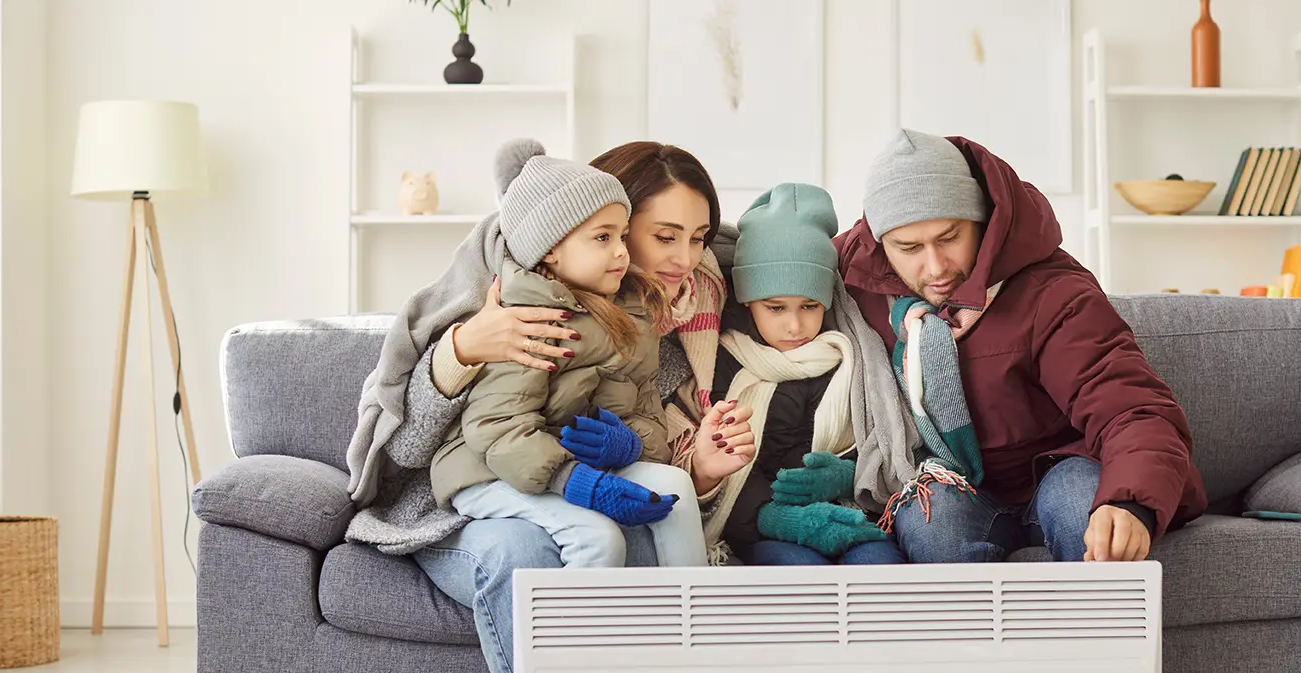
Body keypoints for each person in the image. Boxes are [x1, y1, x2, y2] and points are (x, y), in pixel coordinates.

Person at [345, 141, 761, 673]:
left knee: (652, 510)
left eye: (699, 239)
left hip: (579, 483)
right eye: (663, 236)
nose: (686, 259)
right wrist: (461, 351)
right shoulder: (510, 298)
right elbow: (412, 449)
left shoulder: (663, 314)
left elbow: (646, 435)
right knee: (529, 552)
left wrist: (686, 466)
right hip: (470, 490)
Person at [835, 129, 1208, 567]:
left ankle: (1094, 636)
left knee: (1081, 509)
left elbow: (1130, 407)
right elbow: (771, 268)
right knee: (930, 519)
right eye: (909, 247)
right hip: (950, 485)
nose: (934, 266)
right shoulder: (857, 282)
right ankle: (966, 639)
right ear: (881, 245)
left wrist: (1130, 503)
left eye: (951, 237)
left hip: (1062, 469)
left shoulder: (1054, 292)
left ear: (983, 222)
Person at [428, 140, 705, 569]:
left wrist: (631, 444)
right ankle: (583, 638)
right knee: (597, 538)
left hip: (554, 461)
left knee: (674, 487)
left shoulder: (634, 313)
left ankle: (694, 624)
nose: (621, 251)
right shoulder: (524, 318)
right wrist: (574, 480)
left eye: (621, 235)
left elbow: (647, 412)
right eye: (603, 238)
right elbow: (496, 427)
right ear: (551, 248)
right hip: (487, 470)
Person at [707, 183, 905, 566]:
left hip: (848, 510)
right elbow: (718, 458)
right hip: (759, 525)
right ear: (748, 302)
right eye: (776, 308)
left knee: (880, 566)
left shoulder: (852, 355)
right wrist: (772, 516)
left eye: (809, 306)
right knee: (803, 575)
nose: (795, 325)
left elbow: (883, 435)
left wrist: (848, 475)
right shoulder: (724, 361)